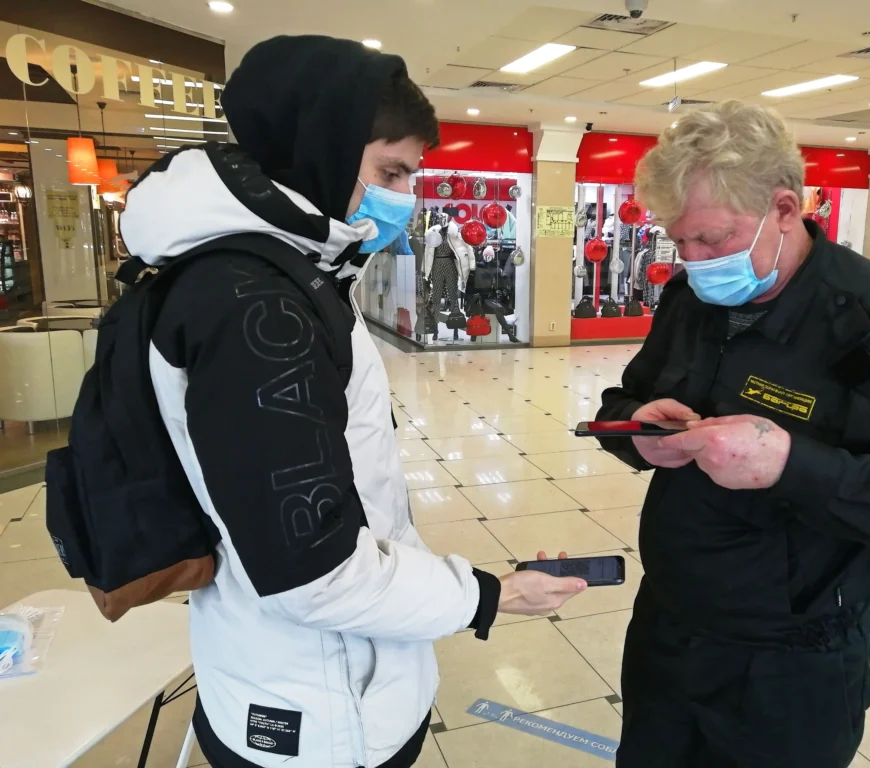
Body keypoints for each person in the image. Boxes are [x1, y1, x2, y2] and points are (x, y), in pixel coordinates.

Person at [118, 36, 585, 768]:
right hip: (320, 714)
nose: (404, 195)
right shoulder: (256, 308)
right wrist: (487, 595)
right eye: (390, 171)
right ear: (321, 152)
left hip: (296, 671)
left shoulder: (283, 275)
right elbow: (314, 574)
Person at [595, 100, 870, 768]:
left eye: (712, 239)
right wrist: (637, 434)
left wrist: (790, 464)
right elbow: (625, 402)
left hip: (794, 663)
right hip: (668, 627)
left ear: (784, 208)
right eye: (679, 242)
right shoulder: (691, 298)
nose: (694, 260)